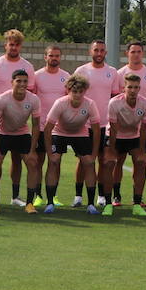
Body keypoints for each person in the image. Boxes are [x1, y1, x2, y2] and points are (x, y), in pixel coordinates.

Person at [0, 29, 35, 206]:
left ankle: (15, 197)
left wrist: (20, 114)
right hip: (0, 122)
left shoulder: (28, 67)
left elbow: (30, 93)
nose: (14, 47)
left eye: (17, 44)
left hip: (19, 124)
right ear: (5, 45)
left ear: (21, 46)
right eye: (11, 44)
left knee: (17, 159)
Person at [43, 76, 103, 214]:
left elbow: (96, 130)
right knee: (54, 162)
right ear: (68, 91)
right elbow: (47, 129)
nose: (77, 95)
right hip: (59, 133)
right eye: (74, 91)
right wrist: (50, 154)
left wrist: (94, 155)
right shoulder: (60, 103)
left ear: (85, 91)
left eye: (81, 92)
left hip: (80, 134)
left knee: (89, 163)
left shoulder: (90, 104)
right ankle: (50, 202)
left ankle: (90, 204)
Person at [106, 43, 146, 205]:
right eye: (133, 51)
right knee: (117, 161)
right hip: (118, 131)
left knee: (140, 162)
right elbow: (114, 98)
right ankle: (116, 196)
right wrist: (111, 148)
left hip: (138, 129)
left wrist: (142, 150)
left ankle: (138, 199)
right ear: (127, 53)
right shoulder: (119, 74)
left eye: (139, 51)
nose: (136, 54)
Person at [0, 69, 42, 214]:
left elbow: (36, 125)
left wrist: (32, 151)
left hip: (22, 133)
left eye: (25, 81)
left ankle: (29, 204)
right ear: (12, 82)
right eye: (19, 81)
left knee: (32, 163)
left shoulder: (33, 99)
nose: (22, 84)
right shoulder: (2, 99)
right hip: (3, 133)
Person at [72, 39, 118, 207]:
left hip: (105, 124)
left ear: (105, 53)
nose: (99, 53)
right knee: (83, 160)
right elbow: (72, 95)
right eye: (96, 50)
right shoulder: (81, 71)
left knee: (104, 161)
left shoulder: (112, 72)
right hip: (85, 125)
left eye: (102, 50)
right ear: (90, 51)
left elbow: (114, 97)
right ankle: (78, 195)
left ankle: (101, 195)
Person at [106, 74, 146, 216]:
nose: (133, 90)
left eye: (136, 87)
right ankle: (111, 200)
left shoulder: (145, 104)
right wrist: (111, 151)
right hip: (116, 135)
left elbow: (144, 129)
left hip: (134, 136)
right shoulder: (114, 103)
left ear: (139, 88)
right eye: (130, 87)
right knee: (111, 162)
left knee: (142, 163)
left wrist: (142, 151)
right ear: (124, 88)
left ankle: (137, 203)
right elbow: (113, 128)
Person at [29, 44, 70, 207]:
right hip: (40, 127)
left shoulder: (66, 76)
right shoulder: (37, 76)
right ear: (45, 57)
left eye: (57, 55)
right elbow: (31, 99)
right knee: (38, 161)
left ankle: (53, 195)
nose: (54, 58)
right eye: (51, 55)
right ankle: (38, 195)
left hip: (58, 129)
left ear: (60, 58)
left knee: (55, 162)